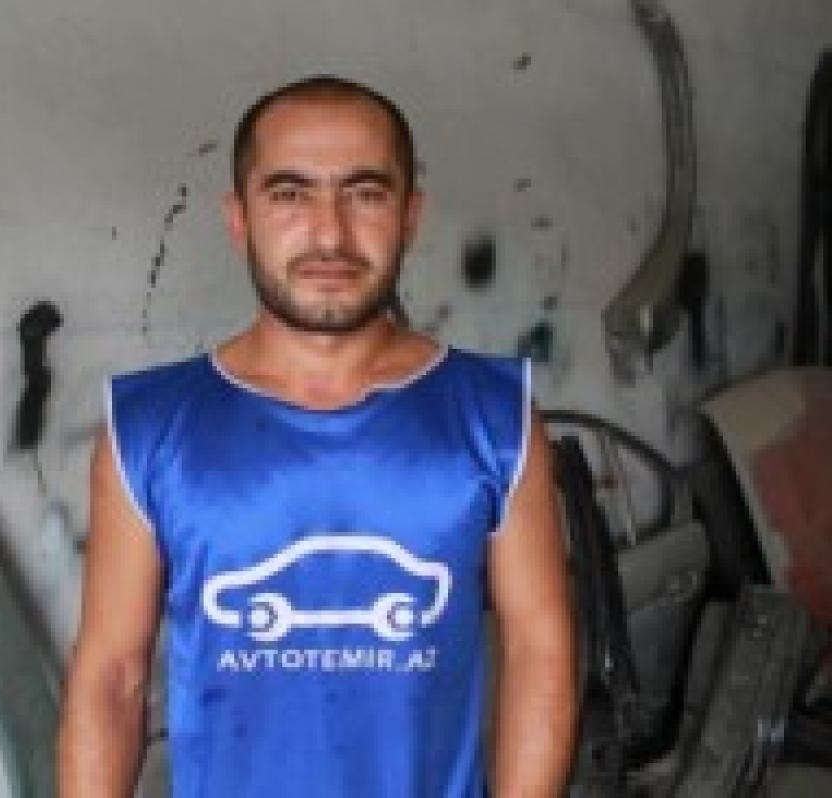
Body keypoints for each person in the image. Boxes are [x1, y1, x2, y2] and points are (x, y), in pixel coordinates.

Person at [58, 75, 576, 798]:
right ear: (239, 219)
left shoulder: (497, 416)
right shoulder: (147, 427)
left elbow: (539, 653)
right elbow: (112, 678)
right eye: (290, 194)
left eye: (365, 194)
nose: (330, 234)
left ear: (410, 216)